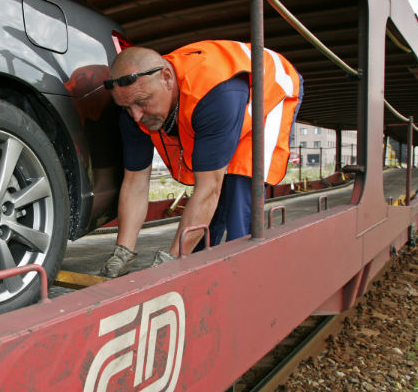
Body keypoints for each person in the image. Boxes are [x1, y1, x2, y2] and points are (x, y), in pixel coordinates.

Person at [100, 41, 302, 278]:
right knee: (202, 224)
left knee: (238, 188)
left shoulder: (215, 97)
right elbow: (135, 183)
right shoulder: (134, 104)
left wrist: (171, 260)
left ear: (167, 78)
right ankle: (196, 262)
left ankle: (243, 276)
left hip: (267, 90)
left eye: (142, 102)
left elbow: (208, 189)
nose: (136, 115)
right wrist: (122, 253)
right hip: (215, 102)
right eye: (127, 107)